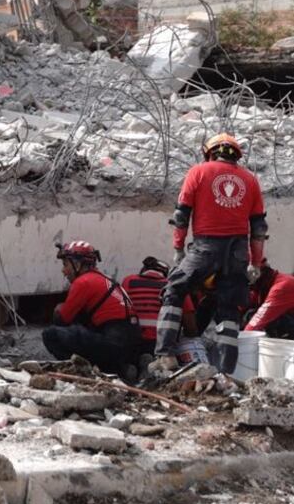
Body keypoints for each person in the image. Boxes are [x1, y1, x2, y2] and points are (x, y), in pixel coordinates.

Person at [153, 133, 267, 373]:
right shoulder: (250, 179)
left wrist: (178, 248)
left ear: (210, 152)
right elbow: (258, 228)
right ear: (236, 154)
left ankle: (165, 355)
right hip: (238, 252)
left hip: (205, 247)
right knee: (228, 308)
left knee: (174, 290)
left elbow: (181, 215)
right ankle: (227, 371)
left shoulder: (198, 172)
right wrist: (255, 263)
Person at [43, 241, 142, 379]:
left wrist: (58, 309)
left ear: (77, 264)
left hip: (113, 342)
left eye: (65, 265)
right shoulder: (105, 279)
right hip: (130, 341)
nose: (63, 271)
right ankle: (121, 367)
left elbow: (63, 319)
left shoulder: (83, 282)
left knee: (50, 334)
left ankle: (85, 371)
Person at [122, 257, 198, 345]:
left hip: (131, 340)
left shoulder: (128, 281)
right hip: (162, 344)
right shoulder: (176, 285)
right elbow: (190, 327)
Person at [245, 261, 294, 338]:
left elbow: (257, 322)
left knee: (273, 322)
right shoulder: (262, 287)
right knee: (250, 314)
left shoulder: (282, 286)